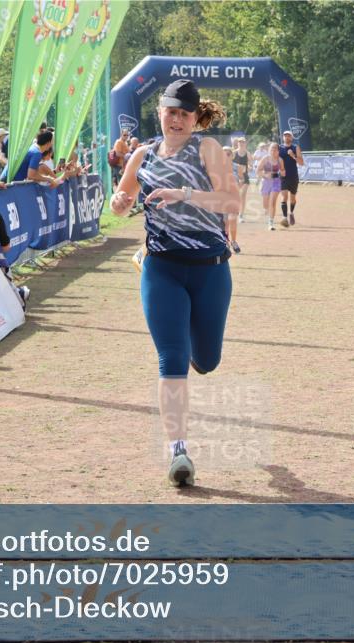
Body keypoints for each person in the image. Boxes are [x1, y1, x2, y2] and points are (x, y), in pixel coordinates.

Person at [109, 79, 238, 487]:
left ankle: (200, 358)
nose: (177, 119)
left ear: (195, 117)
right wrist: (119, 202)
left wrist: (184, 194)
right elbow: (122, 198)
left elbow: (232, 202)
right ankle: (178, 451)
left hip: (211, 269)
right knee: (171, 358)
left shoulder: (208, 151)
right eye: (170, 111)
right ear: (160, 113)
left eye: (184, 113)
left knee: (207, 359)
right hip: (161, 268)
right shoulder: (143, 155)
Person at [257, 142, 285, 230]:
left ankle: (271, 223)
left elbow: (283, 172)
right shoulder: (265, 159)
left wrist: (282, 173)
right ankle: (266, 210)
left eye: (275, 149)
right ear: (269, 150)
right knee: (266, 204)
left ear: (278, 151)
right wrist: (265, 175)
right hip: (265, 182)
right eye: (272, 148)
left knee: (273, 202)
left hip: (276, 182)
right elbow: (258, 171)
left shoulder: (280, 160)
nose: (273, 150)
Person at [278, 130, 304, 225]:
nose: (287, 137)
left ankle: (291, 213)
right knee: (284, 196)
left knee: (293, 198)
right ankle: (285, 218)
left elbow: (301, 163)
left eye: (289, 136)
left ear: (291, 138)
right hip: (283, 176)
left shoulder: (295, 147)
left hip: (293, 176)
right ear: (283, 137)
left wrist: (293, 156)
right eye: (285, 136)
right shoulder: (279, 148)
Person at [232, 137, 250, 227]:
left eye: (243, 142)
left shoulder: (248, 153)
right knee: (236, 196)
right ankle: (234, 211)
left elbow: (251, 164)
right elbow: (229, 162)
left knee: (243, 195)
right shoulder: (234, 153)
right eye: (239, 142)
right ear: (238, 143)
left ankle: (241, 215)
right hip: (235, 177)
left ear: (245, 143)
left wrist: (249, 167)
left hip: (244, 176)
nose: (241, 143)